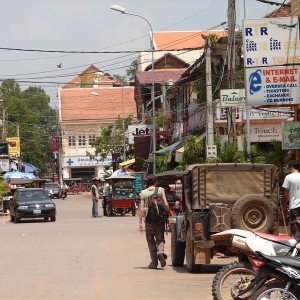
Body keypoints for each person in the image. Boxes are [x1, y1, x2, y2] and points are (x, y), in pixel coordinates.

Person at [139, 175, 169, 269]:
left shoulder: (143, 193)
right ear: (155, 182)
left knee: (151, 241)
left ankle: (154, 263)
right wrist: (166, 216)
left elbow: (141, 209)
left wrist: (140, 223)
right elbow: (166, 204)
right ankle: (160, 252)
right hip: (160, 219)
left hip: (149, 220)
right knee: (160, 238)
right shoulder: (160, 190)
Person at [282, 162, 300, 236]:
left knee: (295, 226)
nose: (288, 170)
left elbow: (286, 194)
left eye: (288, 168)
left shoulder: (288, 177)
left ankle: (296, 244)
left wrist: (284, 206)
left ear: (292, 167)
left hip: (294, 206)